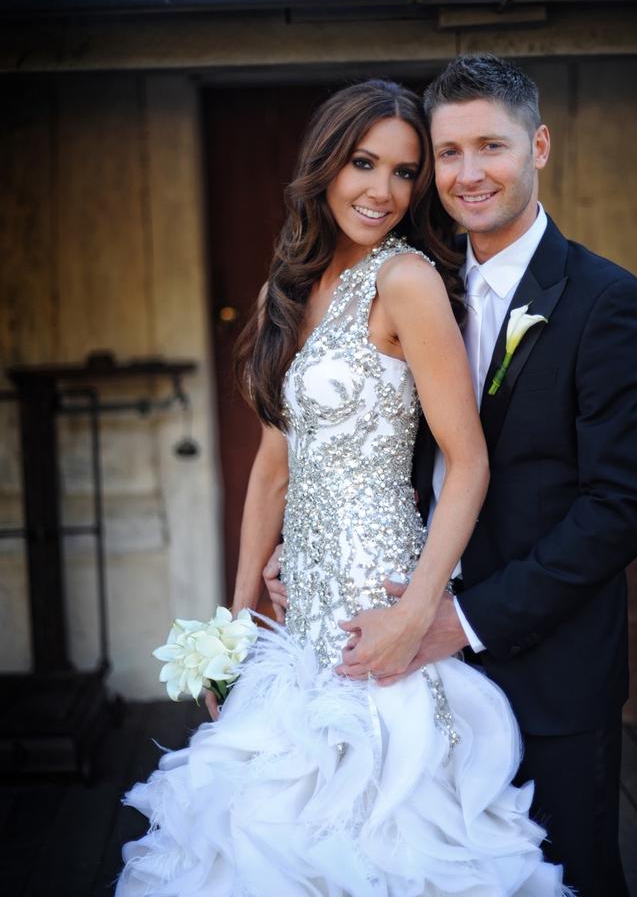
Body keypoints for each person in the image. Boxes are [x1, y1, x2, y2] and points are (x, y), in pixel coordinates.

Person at [117, 79, 570, 896]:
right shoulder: (284, 292)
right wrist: (238, 625)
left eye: (404, 172)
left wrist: (413, 614)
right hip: (302, 624)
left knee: (387, 844)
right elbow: (271, 468)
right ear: (324, 166)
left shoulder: (407, 282)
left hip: (381, 605)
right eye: (365, 164)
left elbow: (468, 464)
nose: (384, 192)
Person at [264, 56, 637, 896]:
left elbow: (622, 506)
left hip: (544, 669)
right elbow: (376, 447)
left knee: (563, 877)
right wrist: (311, 549)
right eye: (447, 154)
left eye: (491, 147)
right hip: (412, 661)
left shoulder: (604, 300)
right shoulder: (417, 284)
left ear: (539, 145)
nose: (468, 174)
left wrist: (459, 619)